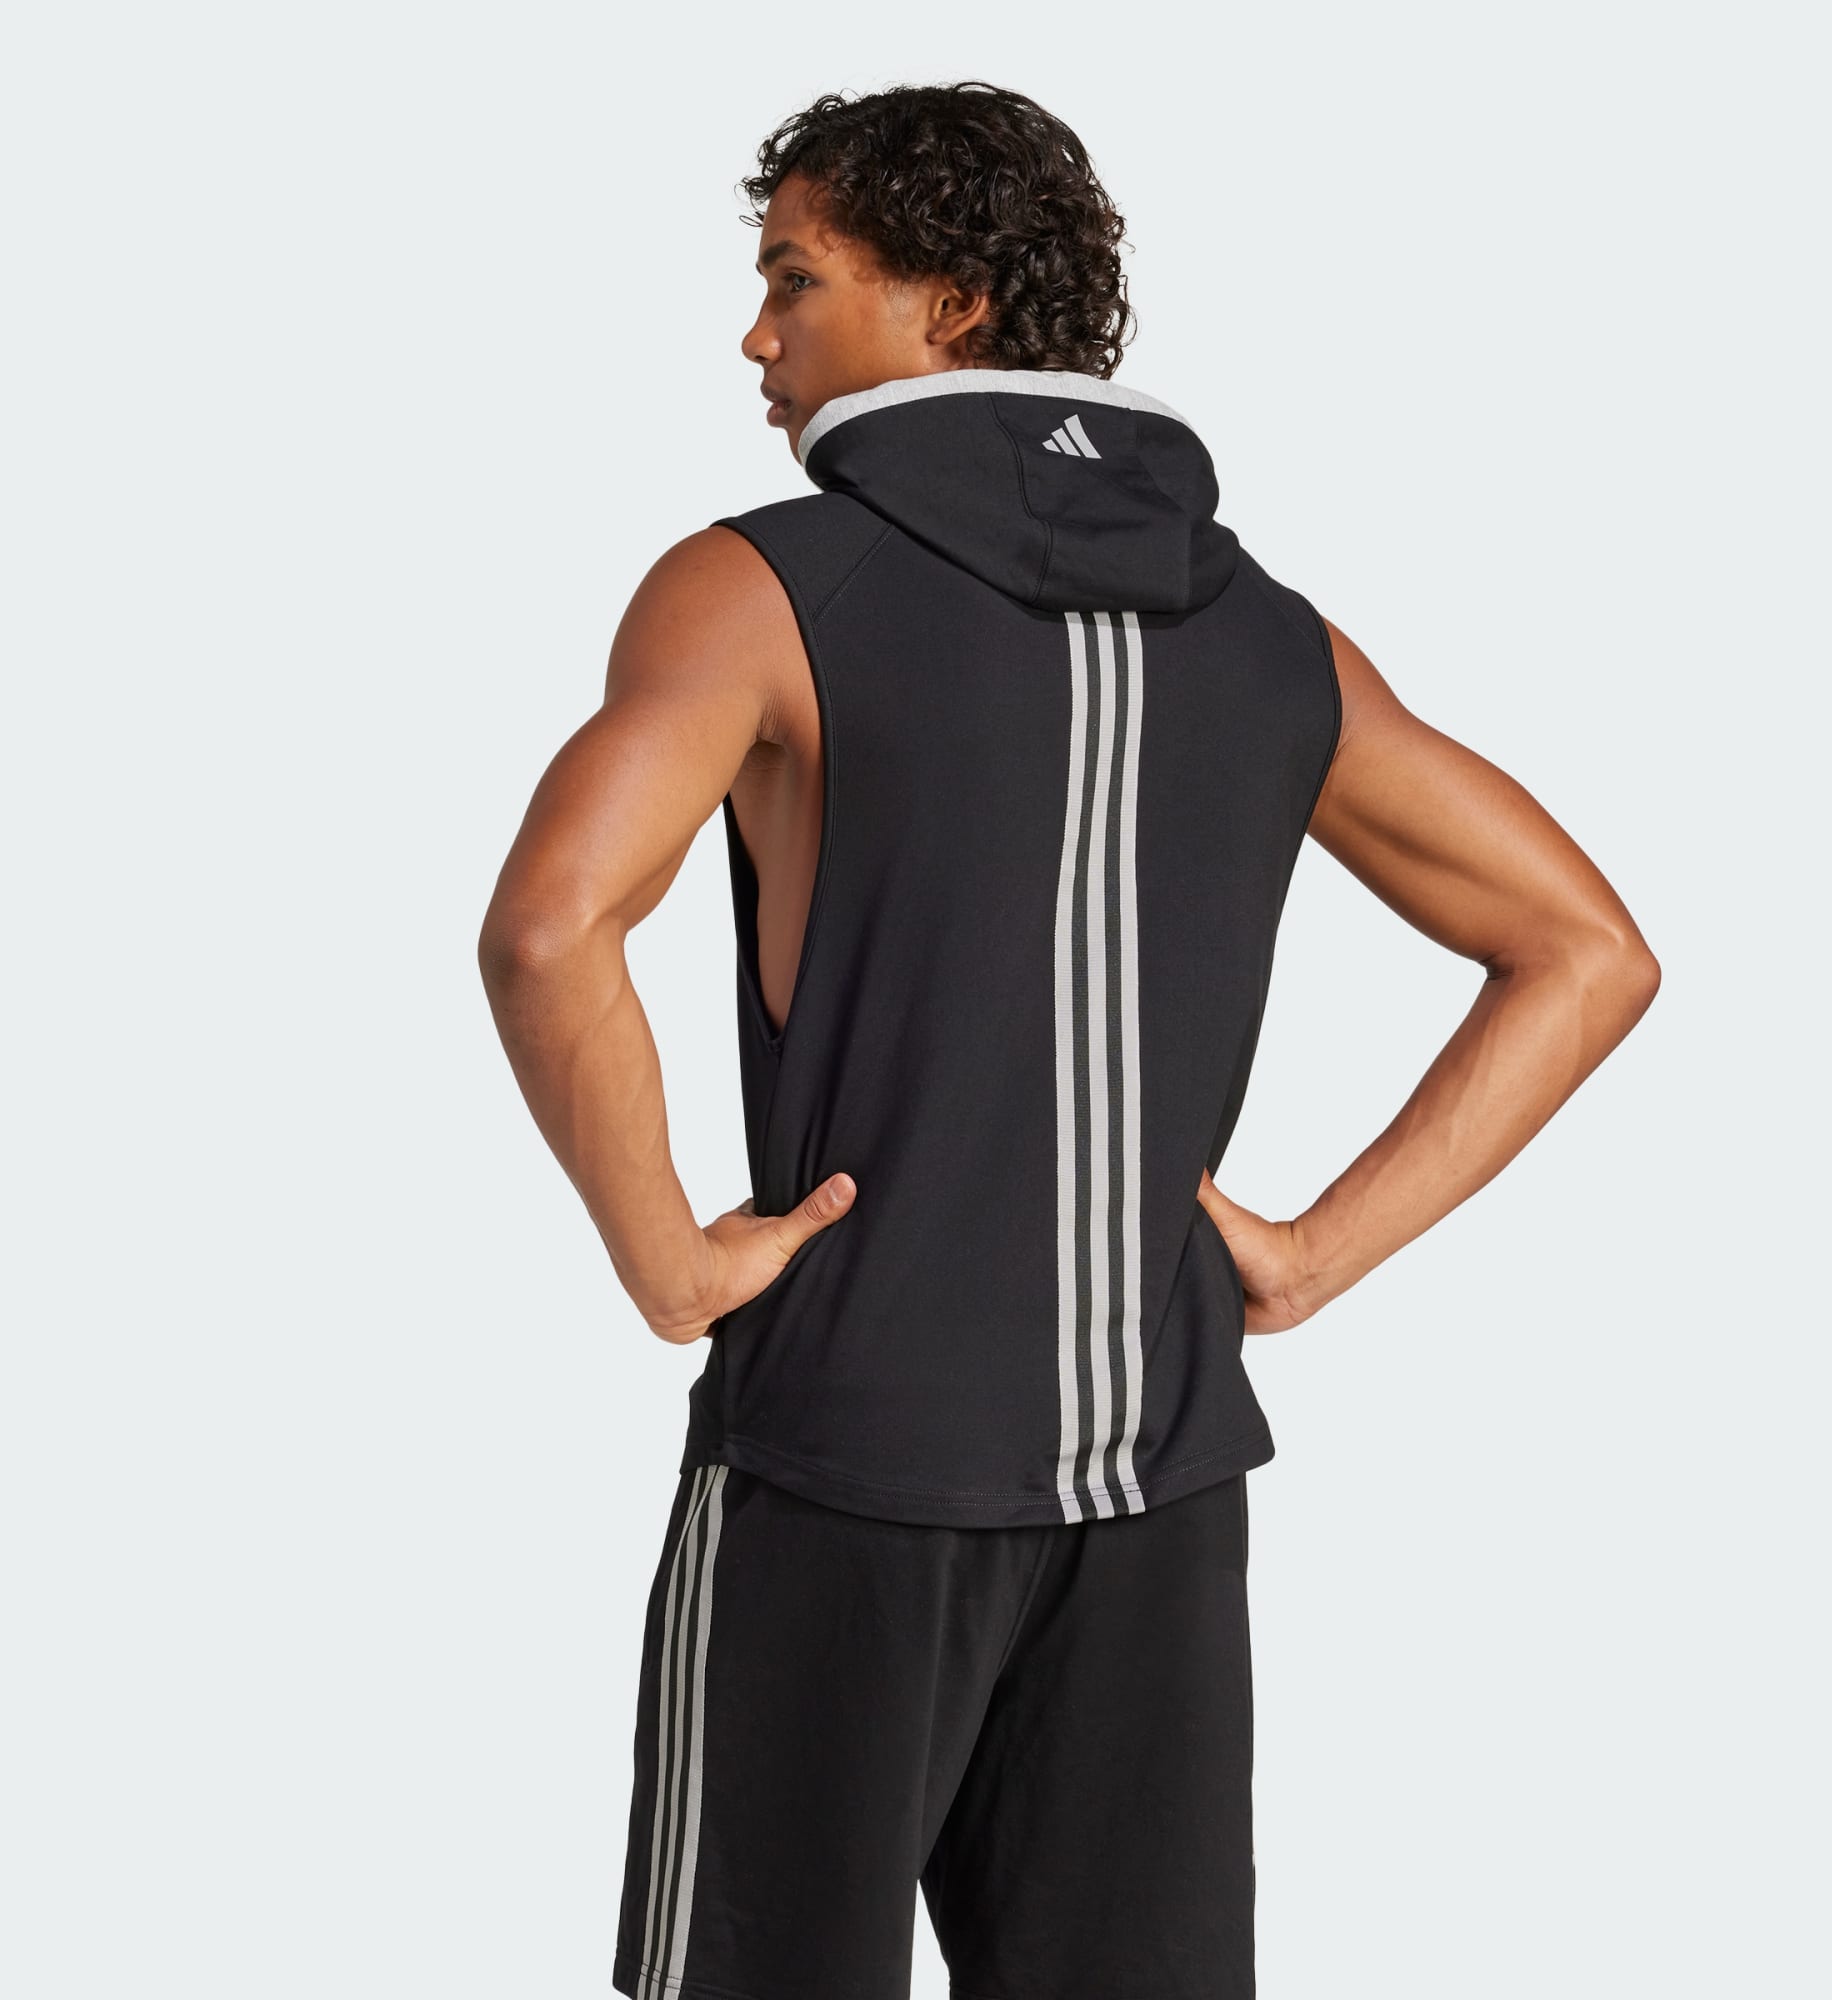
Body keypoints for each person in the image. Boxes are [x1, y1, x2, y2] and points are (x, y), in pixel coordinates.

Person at [478, 79, 1659, 2000]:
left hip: (844, 1465)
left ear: (949, 302)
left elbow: (549, 928)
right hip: (1159, 1487)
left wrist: (669, 1264)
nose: (757, 337)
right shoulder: (1266, 631)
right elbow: (1586, 949)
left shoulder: (762, 586)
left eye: (795, 278)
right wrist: (1306, 1258)